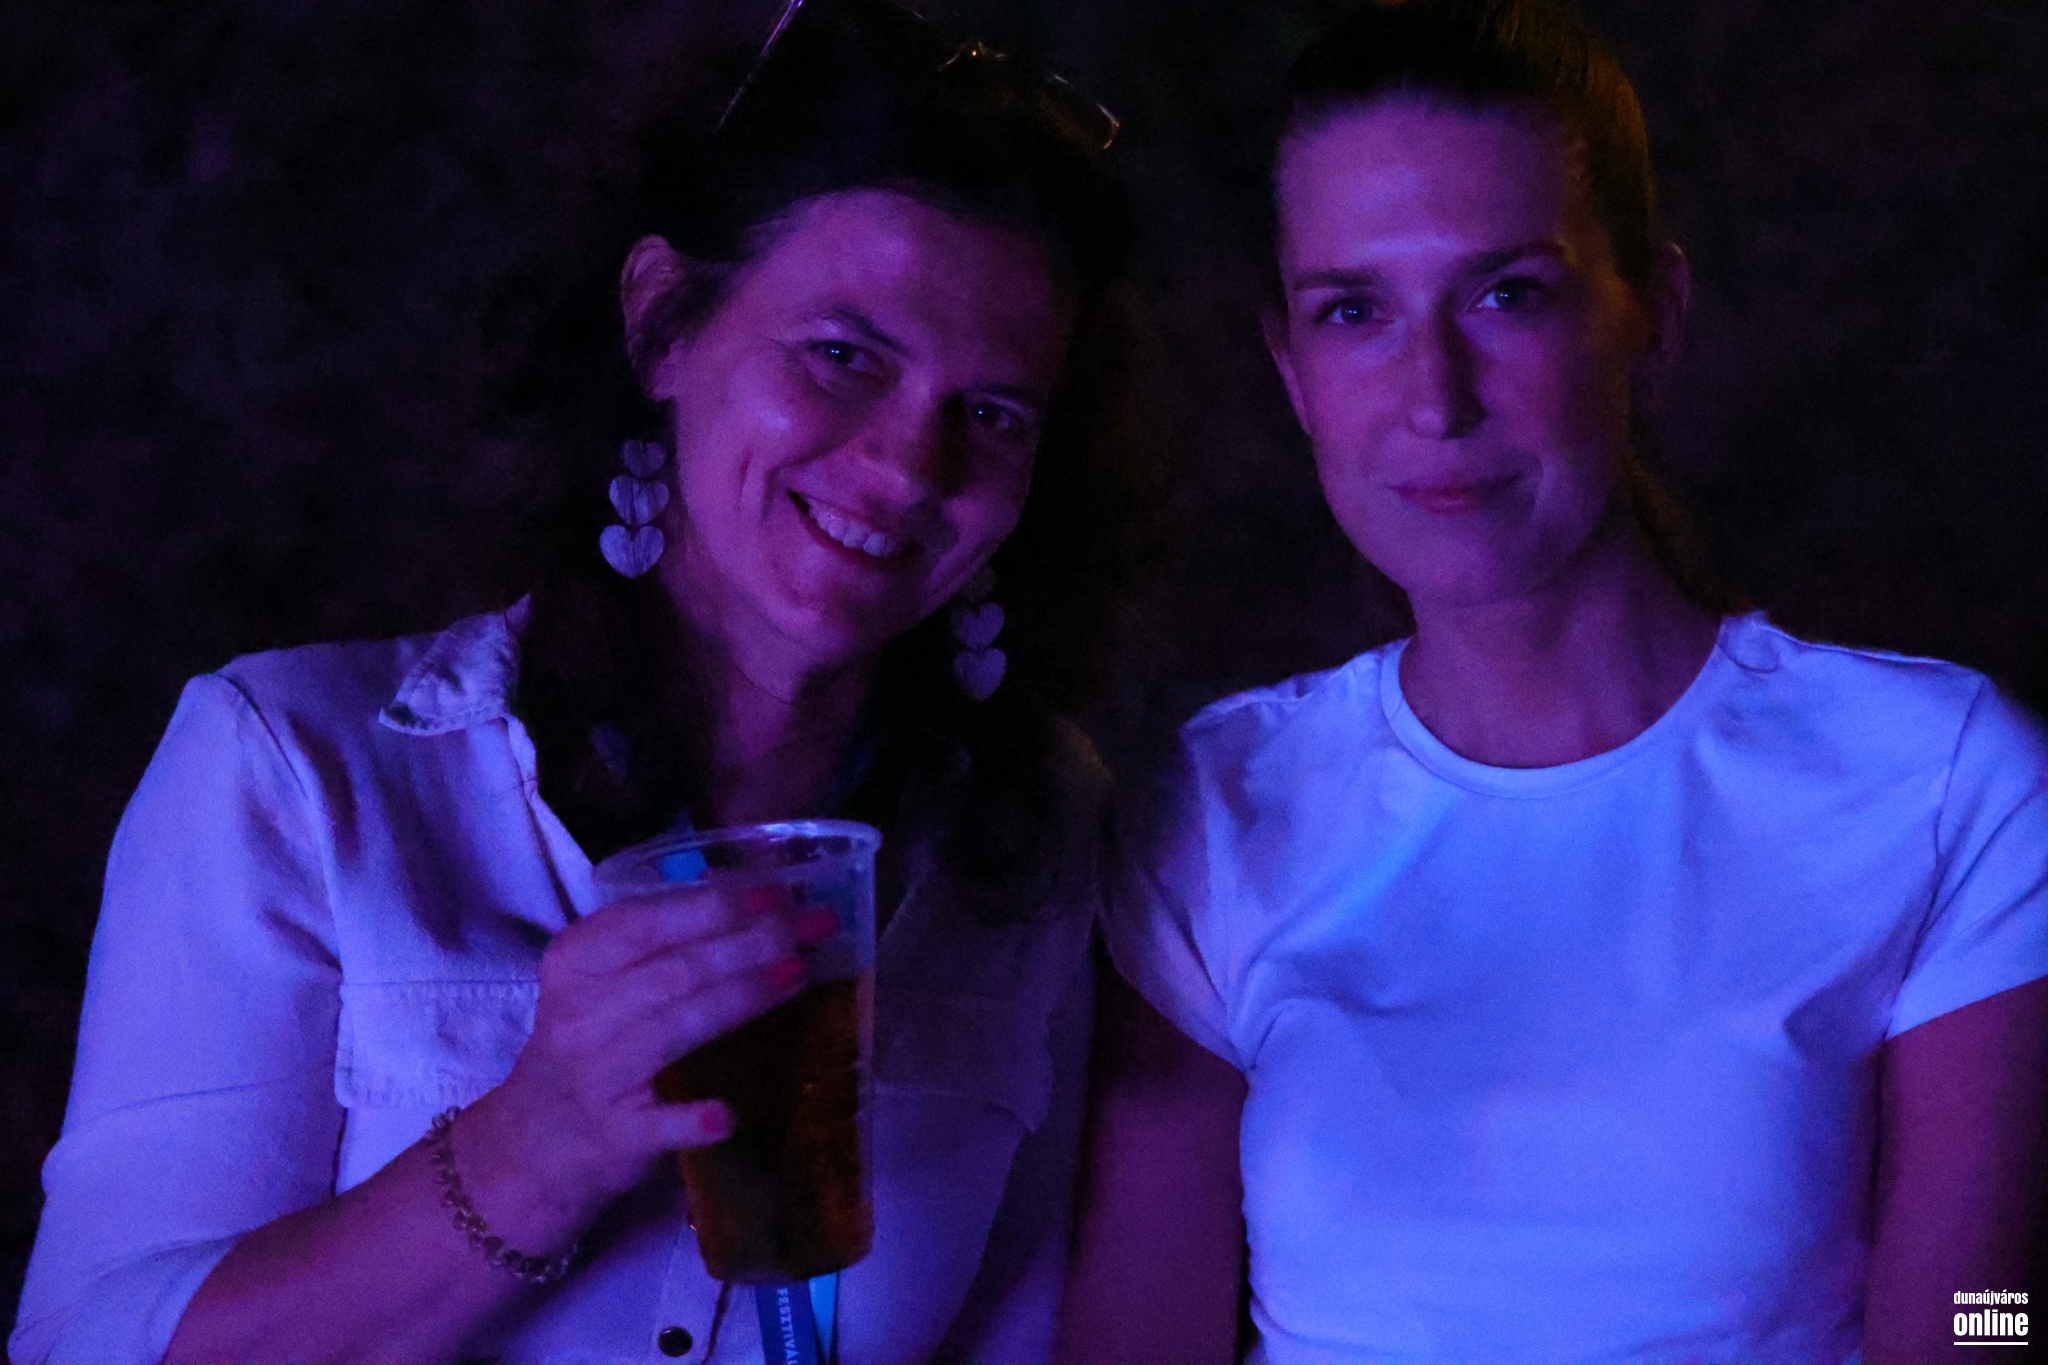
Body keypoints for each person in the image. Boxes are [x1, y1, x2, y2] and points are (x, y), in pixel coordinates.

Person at [12, 1, 1139, 1361]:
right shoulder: (292, 774)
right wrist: (532, 1147)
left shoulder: (1035, 831)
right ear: (663, 326)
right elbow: (83, 1346)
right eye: (843, 355)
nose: (909, 467)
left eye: (993, 413)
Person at [1062, 2, 2048, 1363]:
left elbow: (1992, 1316)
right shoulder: (1217, 813)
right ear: (1291, 372)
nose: (1436, 397)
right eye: (1355, 312)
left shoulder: (1943, 783)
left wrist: (2010, 1332)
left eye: (1508, 294)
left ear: (1653, 314)